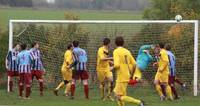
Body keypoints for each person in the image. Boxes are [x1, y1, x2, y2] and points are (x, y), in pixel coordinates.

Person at [113, 36, 144, 106]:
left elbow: (117, 65)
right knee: (121, 95)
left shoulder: (116, 51)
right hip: (126, 74)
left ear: (115, 43)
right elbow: (135, 64)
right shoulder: (127, 51)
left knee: (118, 96)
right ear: (123, 43)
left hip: (121, 76)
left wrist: (112, 66)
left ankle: (139, 102)